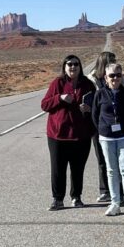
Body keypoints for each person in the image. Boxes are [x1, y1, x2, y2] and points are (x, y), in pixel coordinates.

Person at [41, 55, 96, 210]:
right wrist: (60, 98)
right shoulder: (57, 83)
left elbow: (96, 104)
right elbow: (44, 105)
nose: (73, 67)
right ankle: (58, 199)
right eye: (69, 64)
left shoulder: (87, 84)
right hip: (58, 135)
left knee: (78, 168)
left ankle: (76, 197)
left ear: (80, 67)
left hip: (81, 135)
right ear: (64, 67)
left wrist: (89, 108)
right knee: (58, 168)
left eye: (76, 64)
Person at [91, 62, 124, 217]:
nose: (115, 78)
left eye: (118, 75)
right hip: (106, 137)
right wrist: (103, 129)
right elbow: (95, 114)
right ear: (106, 77)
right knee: (111, 170)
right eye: (112, 75)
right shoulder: (100, 94)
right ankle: (115, 203)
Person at [87, 51, 117, 203]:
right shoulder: (91, 80)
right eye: (111, 62)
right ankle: (105, 190)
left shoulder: (115, 77)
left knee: (116, 159)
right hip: (98, 125)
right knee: (102, 159)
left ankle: (118, 190)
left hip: (114, 124)